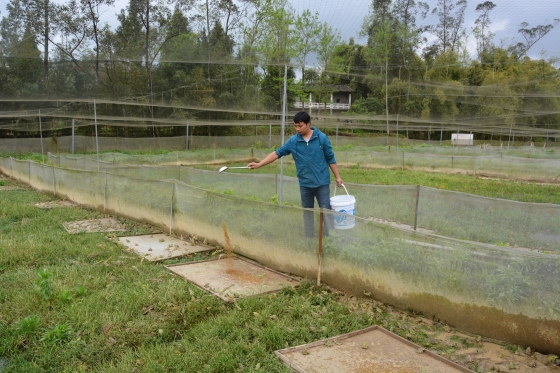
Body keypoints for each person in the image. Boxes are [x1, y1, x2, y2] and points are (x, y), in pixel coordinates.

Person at [248, 111, 344, 237]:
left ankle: (329, 238)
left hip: (322, 183)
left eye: (300, 126)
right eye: (295, 126)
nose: (297, 129)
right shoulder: (293, 141)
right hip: (305, 184)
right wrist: (260, 164)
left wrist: (337, 177)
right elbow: (277, 153)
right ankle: (309, 238)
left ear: (308, 124)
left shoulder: (322, 138)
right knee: (307, 211)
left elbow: (330, 158)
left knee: (325, 211)